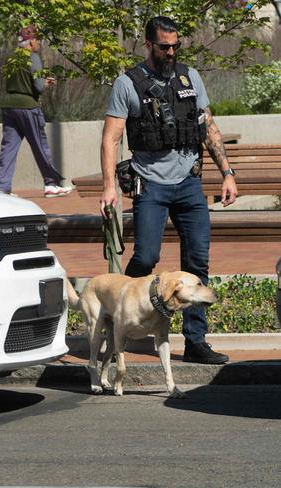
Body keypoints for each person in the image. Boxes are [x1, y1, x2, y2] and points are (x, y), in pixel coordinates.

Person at [99, 16, 238, 364]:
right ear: (148, 44)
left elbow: (208, 127)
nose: (171, 51)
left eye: (176, 45)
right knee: (146, 257)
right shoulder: (127, 83)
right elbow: (111, 138)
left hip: (190, 184)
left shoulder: (190, 76)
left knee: (197, 263)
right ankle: (117, 322)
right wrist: (108, 187)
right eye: (164, 46)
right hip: (151, 184)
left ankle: (195, 343)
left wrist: (227, 173)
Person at [0, 25, 72, 198]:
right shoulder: (33, 58)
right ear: (30, 43)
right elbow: (38, 86)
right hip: (27, 107)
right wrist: (46, 83)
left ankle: (2, 188)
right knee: (40, 146)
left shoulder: (11, 59)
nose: (39, 43)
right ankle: (51, 184)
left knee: (8, 148)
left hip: (8, 106)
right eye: (37, 40)